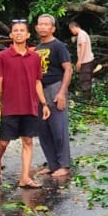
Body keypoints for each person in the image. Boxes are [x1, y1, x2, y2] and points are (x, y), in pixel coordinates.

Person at [0, 20, 52, 189]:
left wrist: (44, 104)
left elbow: (38, 82)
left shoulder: (35, 57)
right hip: (10, 106)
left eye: (22, 30)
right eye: (15, 30)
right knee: (3, 142)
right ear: (11, 35)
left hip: (30, 105)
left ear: (28, 35)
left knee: (28, 141)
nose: (18, 33)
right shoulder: (2, 56)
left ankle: (24, 177)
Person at [34, 14, 73, 180]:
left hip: (55, 87)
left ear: (53, 28)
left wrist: (62, 92)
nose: (43, 27)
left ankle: (64, 165)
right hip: (40, 91)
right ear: (36, 28)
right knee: (43, 129)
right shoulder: (36, 49)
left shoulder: (59, 46)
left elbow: (68, 69)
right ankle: (52, 164)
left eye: (46, 24)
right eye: (40, 24)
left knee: (58, 129)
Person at [68, 20, 95, 97]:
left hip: (85, 61)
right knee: (87, 79)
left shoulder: (81, 35)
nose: (72, 32)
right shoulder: (83, 33)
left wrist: (79, 61)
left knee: (85, 79)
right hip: (88, 60)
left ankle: (87, 97)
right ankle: (88, 95)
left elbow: (83, 47)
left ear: (74, 27)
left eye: (71, 30)